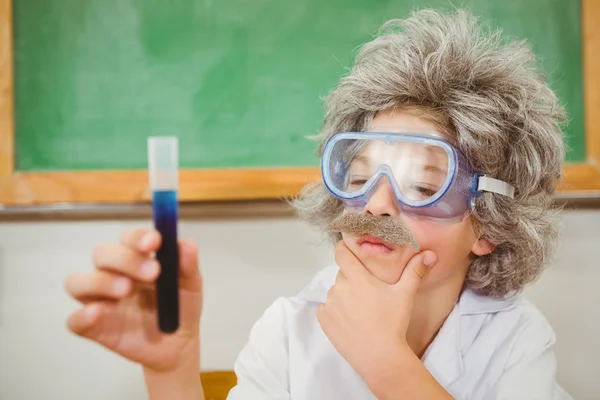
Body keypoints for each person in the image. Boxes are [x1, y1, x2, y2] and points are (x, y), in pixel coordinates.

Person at [64, 9, 573, 400]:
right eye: (357, 175)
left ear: (490, 225)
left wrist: (385, 361)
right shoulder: (289, 331)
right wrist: (170, 369)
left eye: (422, 187)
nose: (375, 204)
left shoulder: (516, 341)